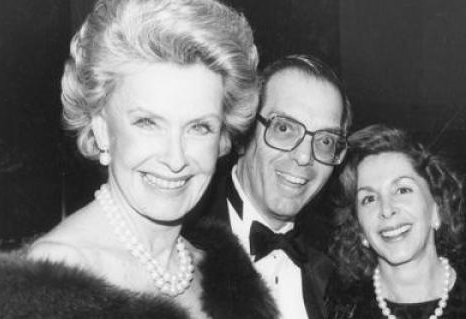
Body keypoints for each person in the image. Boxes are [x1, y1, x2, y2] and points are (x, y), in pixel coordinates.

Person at [0, 0, 279, 318]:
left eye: (199, 127)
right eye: (148, 123)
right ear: (100, 128)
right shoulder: (48, 289)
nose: (176, 158)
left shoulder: (222, 271)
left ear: (222, 137)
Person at [184, 54, 352, 319]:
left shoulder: (336, 271)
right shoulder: (176, 242)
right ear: (243, 135)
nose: (304, 156)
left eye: (326, 141)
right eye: (284, 128)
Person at [327, 124, 466, 318]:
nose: (386, 209)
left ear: (436, 208)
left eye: (402, 190)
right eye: (369, 199)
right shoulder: (338, 308)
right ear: (359, 228)